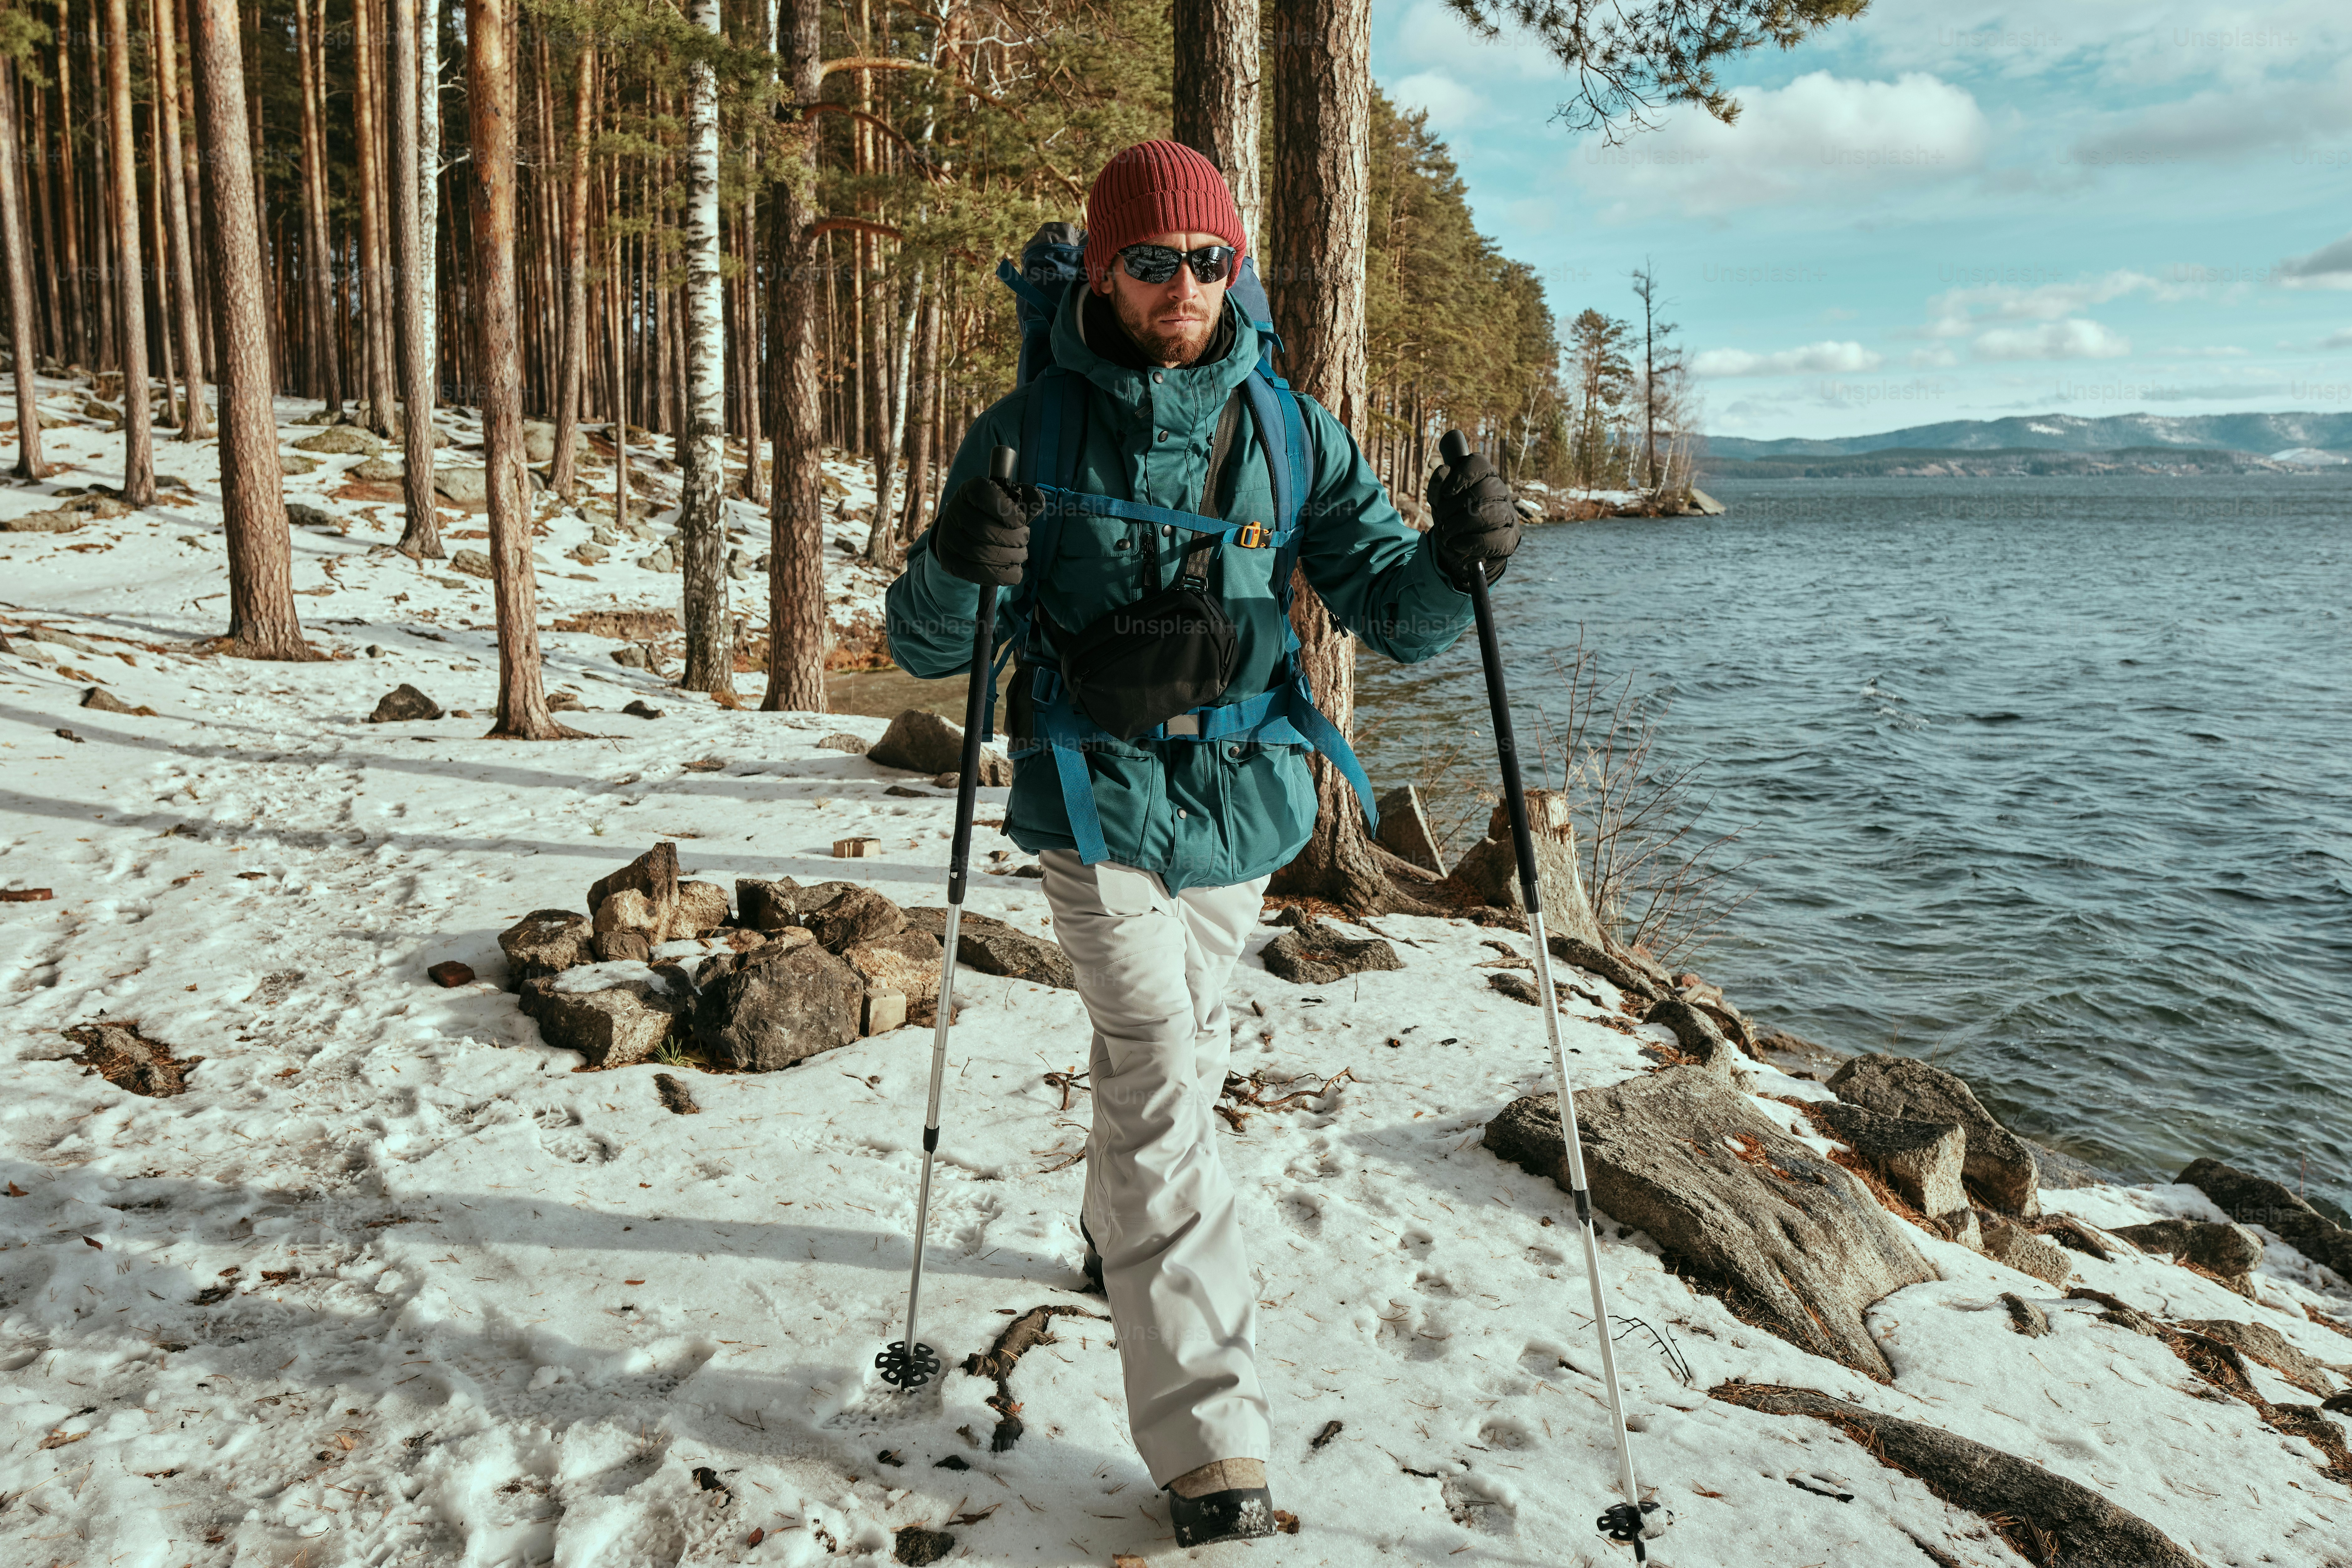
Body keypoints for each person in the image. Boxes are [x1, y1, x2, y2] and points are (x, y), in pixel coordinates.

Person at [883, 139, 1520, 1546]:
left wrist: (1465, 554)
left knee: (1179, 1053)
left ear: (1239, 267)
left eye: (1209, 259)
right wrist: (956, 562)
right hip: (1090, 799)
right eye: (1153, 261)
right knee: (1166, 1077)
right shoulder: (1028, 431)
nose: (1185, 284)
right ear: (1104, 273)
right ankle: (1212, 1444)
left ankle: (1118, 1242)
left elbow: (1396, 612)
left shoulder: (1292, 430)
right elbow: (924, 643)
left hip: (1241, 810)